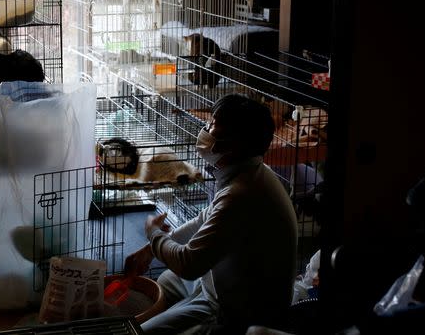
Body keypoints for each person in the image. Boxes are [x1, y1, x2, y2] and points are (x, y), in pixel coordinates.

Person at [124, 93, 298, 333]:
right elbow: (203, 219)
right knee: (166, 279)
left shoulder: (242, 194)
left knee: (141, 332)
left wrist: (154, 237)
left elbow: (189, 264)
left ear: (234, 142)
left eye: (212, 126)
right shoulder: (250, 172)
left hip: (237, 311)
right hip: (222, 283)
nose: (204, 130)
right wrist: (149, 251)